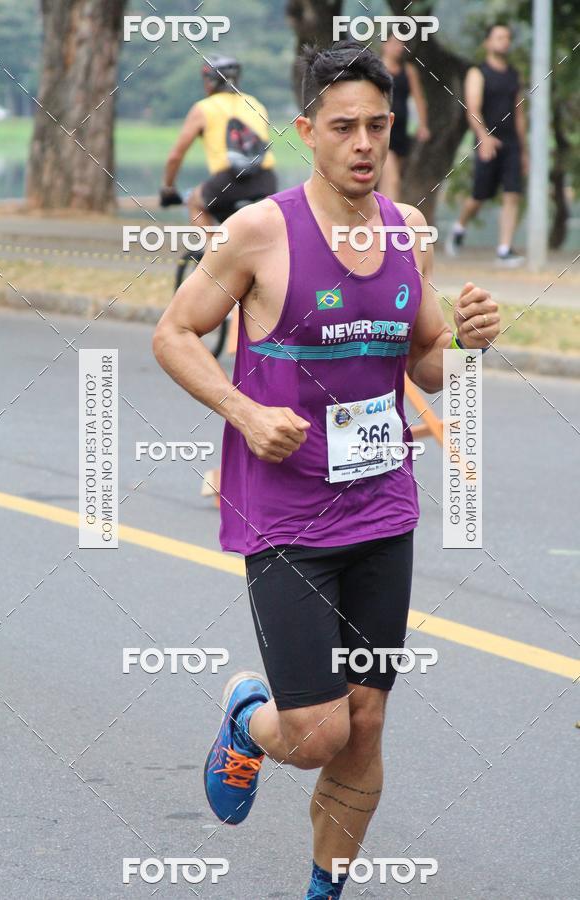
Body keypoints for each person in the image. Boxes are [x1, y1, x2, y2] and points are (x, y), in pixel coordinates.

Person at [153, 40, 500, 900]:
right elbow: (173, 333)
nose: (364, 143)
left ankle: (325, 890)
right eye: (344, 126)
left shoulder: (407, 231)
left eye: (378, 125)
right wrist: (243, 411)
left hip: (382, 510)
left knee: (367, 722)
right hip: (286, 519)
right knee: (316, 734)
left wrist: (466, 343)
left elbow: (424, 364)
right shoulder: (259, 232)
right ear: (307, 131)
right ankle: (248, 719)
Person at [160, 55, 278, 225]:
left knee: (194, 202)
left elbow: (175, 156)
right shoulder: (256, 104)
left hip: (228, 182)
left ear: (210, 82)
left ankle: (211, 242)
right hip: (266, 180)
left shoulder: (203, 108)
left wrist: (168, 188)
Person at [447, 23, 528, 265]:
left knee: (513, 193)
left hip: (511, 142)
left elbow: (519, 113)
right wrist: (483, 137)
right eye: (499, 37)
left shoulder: (514, 75)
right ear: (488, 42)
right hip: (487, 140)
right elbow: (472, 109)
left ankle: (504, 250)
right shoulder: (478, 73)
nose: (504, 41)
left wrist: (524, 150)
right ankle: (459, 227)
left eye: (507, 37)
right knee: (480, 195)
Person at [378, 33, 430, 200]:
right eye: (394, 43)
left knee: (390, 180)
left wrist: (423, 125)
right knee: (392, 180)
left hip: (400, 131)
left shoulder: (409, 71)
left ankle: (381, 212)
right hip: (381, 130)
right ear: (384, 44)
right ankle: (391, 216)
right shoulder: (376, 68)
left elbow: (419, 98)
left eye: (401, 44)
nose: (398, 47)